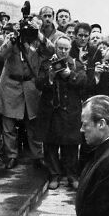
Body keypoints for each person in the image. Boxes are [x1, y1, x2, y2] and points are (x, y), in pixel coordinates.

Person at [0, 14, 54, 169]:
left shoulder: (38, 41)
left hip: (30, 85)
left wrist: (39, 35)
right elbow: (0, 55)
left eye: (36, 26)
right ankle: (11, 155)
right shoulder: (14, 40)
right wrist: (13, 38)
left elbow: (50, 51)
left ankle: (37, 155)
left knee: (33, 123)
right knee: (8, 123)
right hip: (10, 84)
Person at [35, 36, 88, 190]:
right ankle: (54, 175)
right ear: (56, 48)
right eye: (60, 48)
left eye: (66, 48)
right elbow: (38, 84)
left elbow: (83, 82)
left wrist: (69, 74)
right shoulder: (46, 64)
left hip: (71, 111)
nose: (63, 51)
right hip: (51, 111)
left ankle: (72, 176)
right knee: (50, 145)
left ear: (70, 49)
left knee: (71, 146)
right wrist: (50, 77)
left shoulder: (76, 64)